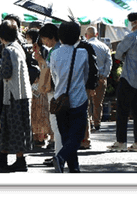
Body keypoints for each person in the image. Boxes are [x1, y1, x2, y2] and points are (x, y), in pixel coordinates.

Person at [0, 20, 33, 172]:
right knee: (8, 125)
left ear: (1, 35)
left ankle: (20, 159)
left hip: (14, 94)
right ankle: (3, 155)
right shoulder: (18, 47)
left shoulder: (8, 50)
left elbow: (6, 72)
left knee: (15, 127)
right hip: (21, 92)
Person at [108, 11, 137, 152]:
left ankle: (121, 141)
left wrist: (125, 56)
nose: (129, 23)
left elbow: (119, 53)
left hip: (128, 78)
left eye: (130, 21)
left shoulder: (132, 37)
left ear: (135, 23)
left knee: (122, 111)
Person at [48, 21, 89, 173]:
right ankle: (62, 158)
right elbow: (85, 75)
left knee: (66, 135)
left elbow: (54, 76)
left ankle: (74, 168)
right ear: (78, 36)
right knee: (77, 136)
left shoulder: (55, 54)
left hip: (60, 99)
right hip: (79, 98)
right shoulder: (82, 53)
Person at [35, 22, 62, 162]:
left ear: (51, 37)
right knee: (56, 125)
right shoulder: (56, 49)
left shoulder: (56, 51)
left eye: (45, 38)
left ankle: (59, 156)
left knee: (56, 125)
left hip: (55, 92)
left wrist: (41, 61)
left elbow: (50, 71)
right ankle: (58, 154)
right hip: (56, 91)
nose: (44, 42)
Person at [84, 26, 112, 132]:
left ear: (86, 35)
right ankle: (97, 122)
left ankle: (89, 122)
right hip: (100, 77)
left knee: (87, 102)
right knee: (98, 102)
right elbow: (109, 62)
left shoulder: (85, 46)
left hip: (87, 78)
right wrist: (104, 75)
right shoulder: (104, 47)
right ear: (96, 34)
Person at [29, 32, 53, 149]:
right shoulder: (41, 50)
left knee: (43, 112)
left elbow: (46, 67)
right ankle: (39, 136)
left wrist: (40, 59)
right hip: (39, 84)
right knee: (38, 112)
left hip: (43, 84)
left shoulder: (44, 51)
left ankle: (45, 137)